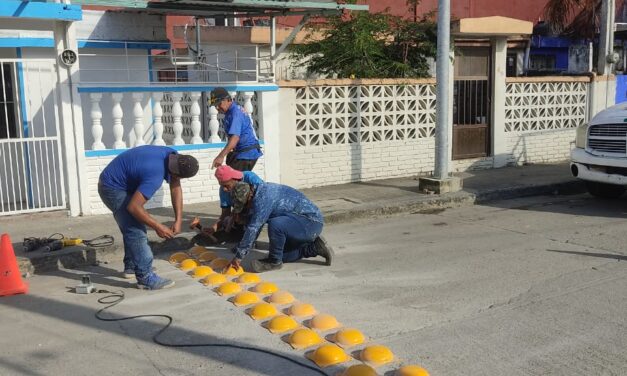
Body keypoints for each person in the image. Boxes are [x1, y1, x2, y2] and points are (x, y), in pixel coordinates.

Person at [98, 145, 199, 290]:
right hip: (111, 187)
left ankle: (132, 266)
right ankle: (145, 277)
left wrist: (178, 220)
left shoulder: (173, 156)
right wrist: (158, 226)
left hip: (123, 182)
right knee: (135, 229)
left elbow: (176, 187)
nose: (175, 180)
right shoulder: (155, 175)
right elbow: (134, 207)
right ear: (176, 171)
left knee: (132, 224)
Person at [225, 182, 334, 273]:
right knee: (283, 256)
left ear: (249, 196)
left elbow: (254, 228)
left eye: (244, 205)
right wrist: (243, 219)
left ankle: (274, 262)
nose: (246, 208)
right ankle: (314, 248)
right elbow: (256, 219)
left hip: (310, 222)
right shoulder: (258, 191)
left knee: (275, 224)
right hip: (298, 223)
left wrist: (238, 256)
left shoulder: (263, 198)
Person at [201, 165, 264, 238]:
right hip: (240, 210)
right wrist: (213, 228)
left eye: (226, 185)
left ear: (235, 179)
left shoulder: (250, 177)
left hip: (258, 208)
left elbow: (264, 198)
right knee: (227, 221)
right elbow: (225, 213)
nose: (224, 189)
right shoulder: (223, 190)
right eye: (222, 186)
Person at [210, 87, 262, 171]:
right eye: (215, 106)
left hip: (246, 153)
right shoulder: (230, 112)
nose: (217, 108)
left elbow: (235, 138)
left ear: (227, 100)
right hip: (243, 152)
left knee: (233, 182)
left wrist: (221, 156)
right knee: (237, 180)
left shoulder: (235, 113)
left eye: (219, 104)